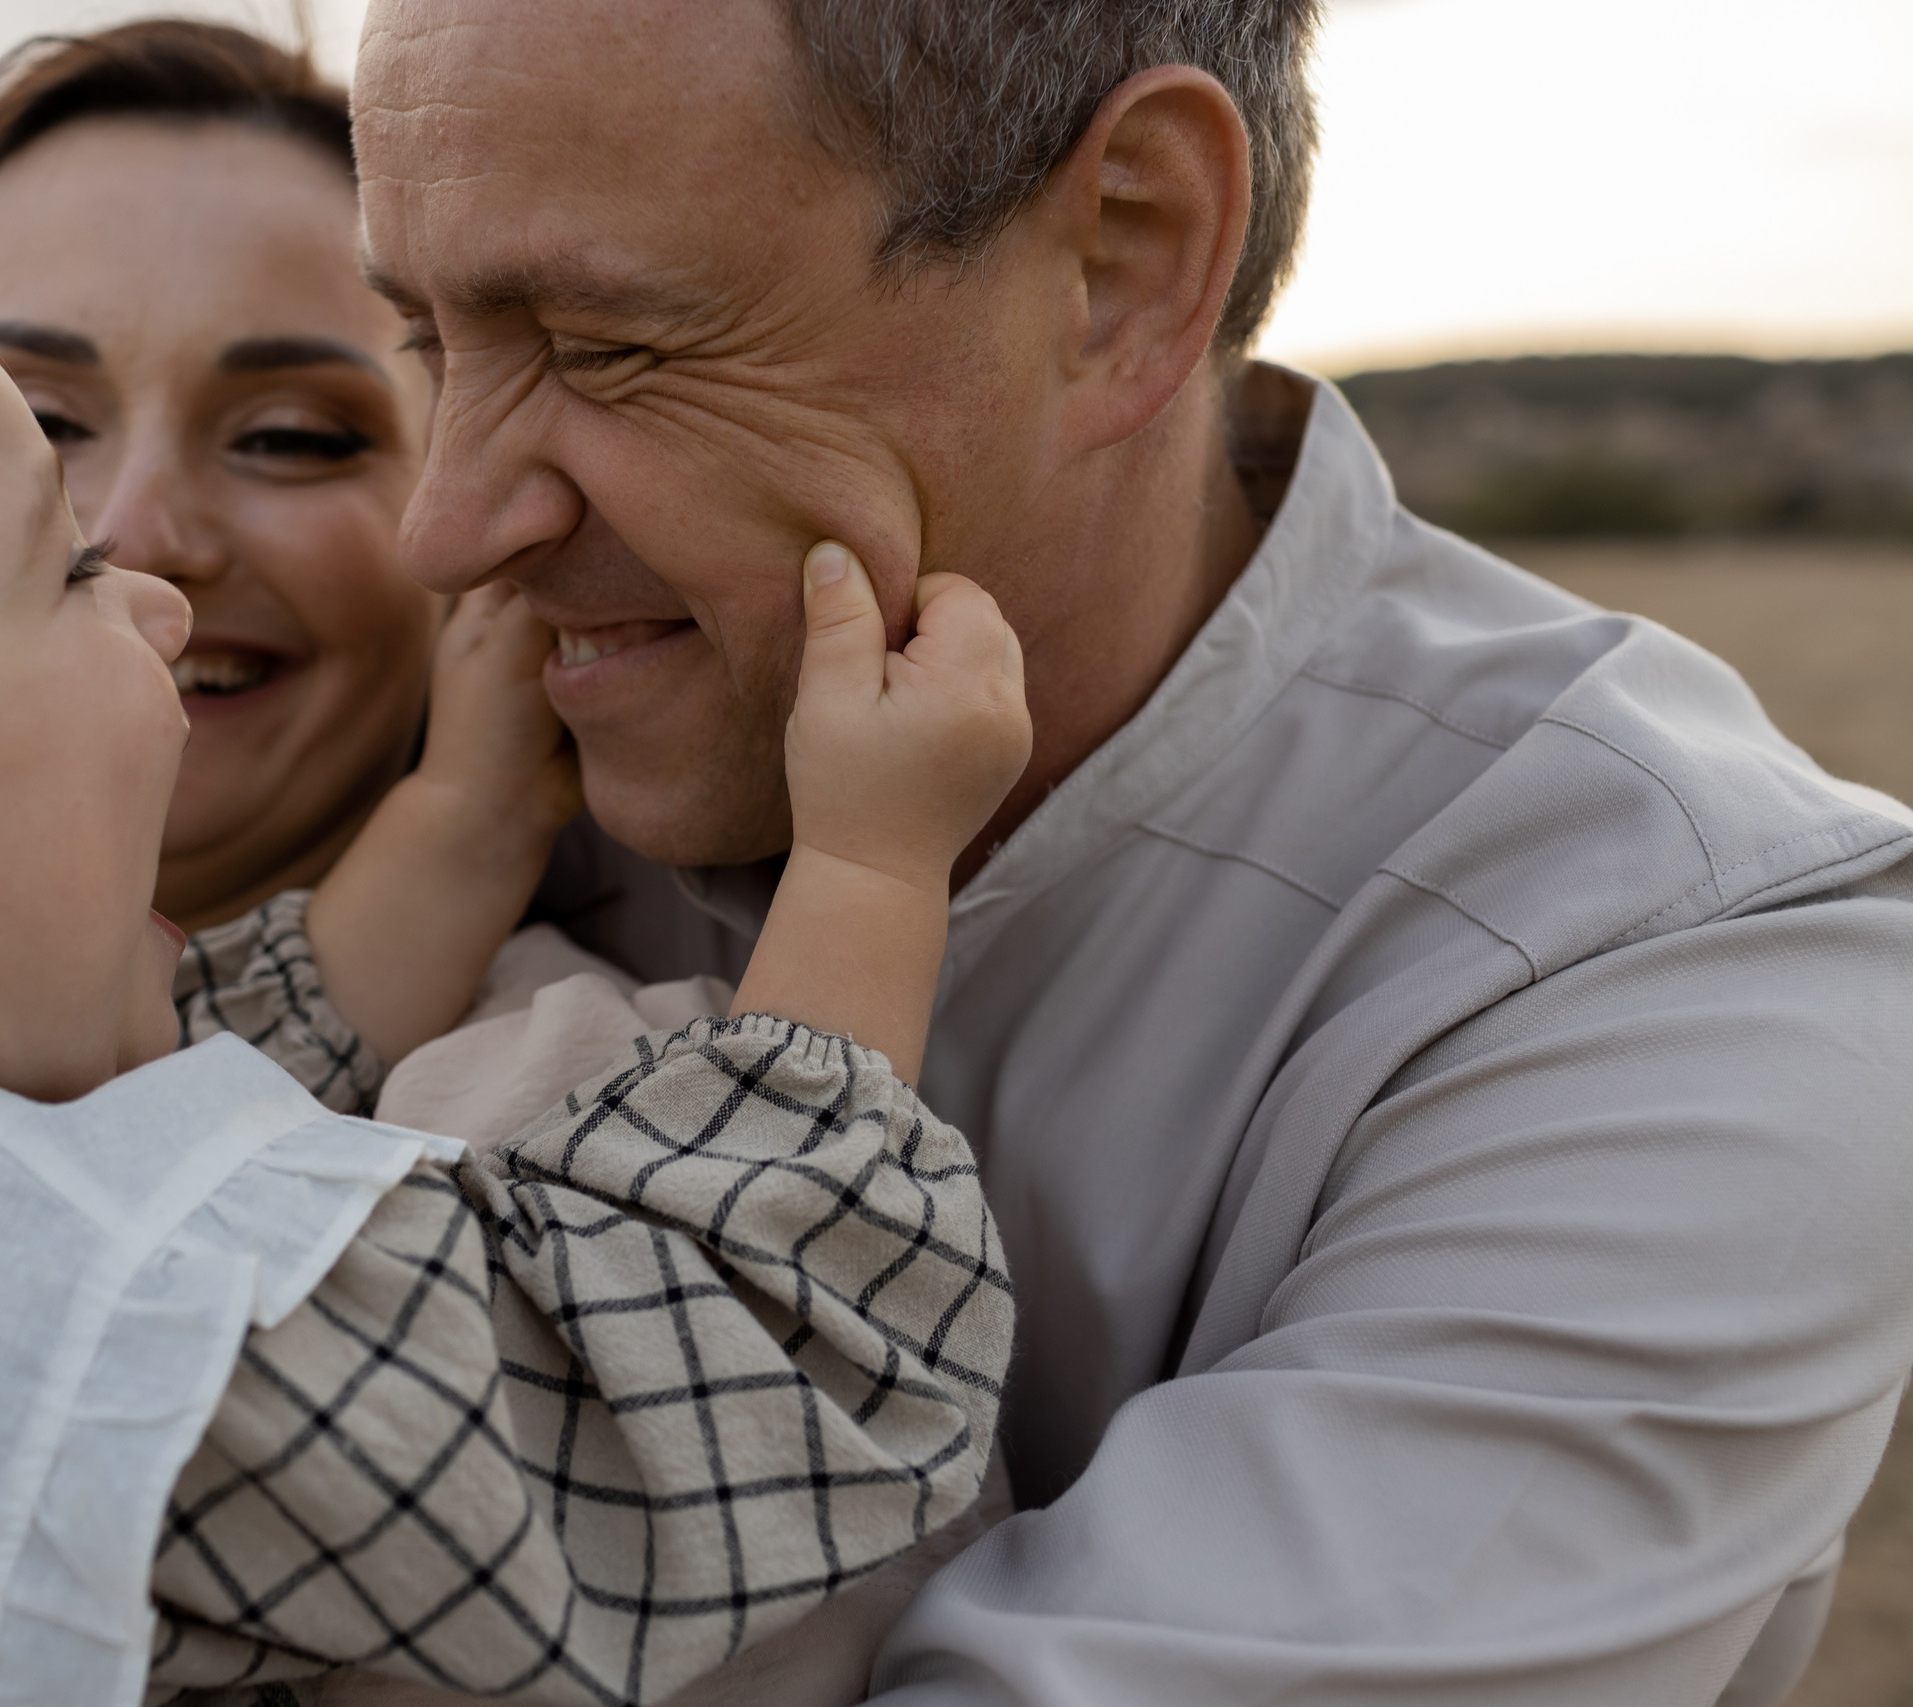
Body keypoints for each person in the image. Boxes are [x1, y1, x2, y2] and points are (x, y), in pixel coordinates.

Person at [347, 1, 1913, 1702]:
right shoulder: (459, 758)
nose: (448, 526)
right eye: (426, 338)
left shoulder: (1685, 979)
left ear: (1125, 261)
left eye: (604, 343)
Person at [0, 210, 1026, 1705]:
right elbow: (718, 1383)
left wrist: (454, 816)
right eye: (60, 565)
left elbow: (182, 1086)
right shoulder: (104, 1352)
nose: (147, 589)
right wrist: (871, 860)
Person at [0, 20, 746, 1123]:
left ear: (479, 539)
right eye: (32, 419)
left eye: (289, 436)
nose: (135, 534)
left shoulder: (572, 1138)